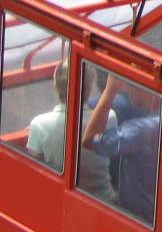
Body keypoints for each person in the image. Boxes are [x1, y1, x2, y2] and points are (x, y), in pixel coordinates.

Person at [27, 61, 117, 200]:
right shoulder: (110, 117)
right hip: (105, 201)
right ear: (89, 89)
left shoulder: (39, 125)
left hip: (59, 201)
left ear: (55, 85)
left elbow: (35, 174)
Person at [82, 72, 162, 226]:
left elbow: (90, 140)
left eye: (131, 85)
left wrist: (109, 91)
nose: (127, 89)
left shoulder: (139, 131)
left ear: (147, 89)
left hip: (138, 220)